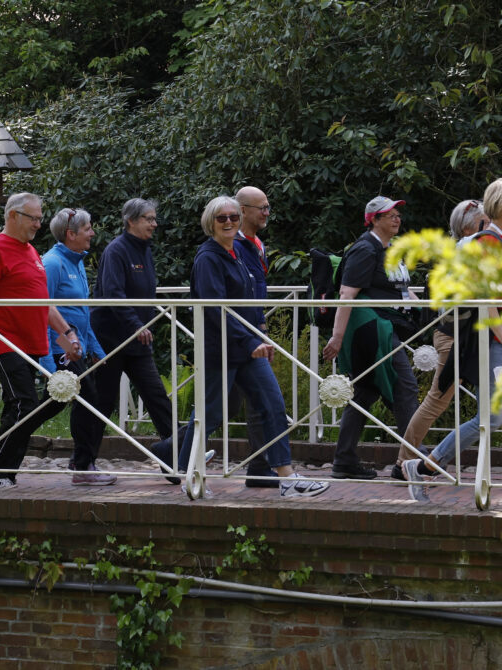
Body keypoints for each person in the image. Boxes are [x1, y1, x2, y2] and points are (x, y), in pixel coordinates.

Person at [151, 196, 328, 498]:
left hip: (246, 349)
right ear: (211, 222)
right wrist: (250, 342)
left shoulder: (236, 254)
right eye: (222, 218)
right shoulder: (208, 258)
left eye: (233, 217)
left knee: (272, 404)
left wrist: (260, 334)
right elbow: (215, 309)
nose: (230, 222)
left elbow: (248, 305)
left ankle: (286, 477)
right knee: (209, 416)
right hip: (221, 351)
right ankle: (185, 472)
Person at [403, 178, 502, 506]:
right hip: (494, 340)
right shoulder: (490, 241)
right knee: (490, 420)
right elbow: (487, 299)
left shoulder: (499, 240)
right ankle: (423, 467)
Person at [0, 192, 81, 487]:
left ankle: (2, 472)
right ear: (13, 216)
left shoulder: (30, 252)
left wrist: (67, 337)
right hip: (4, 342)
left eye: (40, 218)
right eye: (34, 218)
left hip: (32, 344)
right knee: (23, 404)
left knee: (36, 403)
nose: (39, 224)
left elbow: (44, 304)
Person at [392, 199, 502, 477]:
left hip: (468, 335)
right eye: (487, 222)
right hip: (456, 337)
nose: (492, 227)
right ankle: (404, 463)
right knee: (439, 399)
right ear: (475, 225)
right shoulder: (470, 248)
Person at [322, 196, 419, 480]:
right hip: (371, 330)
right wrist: (337, 338)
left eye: (398, 214)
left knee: (365, 390)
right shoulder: (365, 249)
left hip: (386, 327)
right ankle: (412, 460)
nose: (396, 218)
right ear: (373, 220)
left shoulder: (389, 250)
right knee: (405, 386)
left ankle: (344, 460)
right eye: (389, 214)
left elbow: (403, 291)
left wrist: (429, 313)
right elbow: (346, 294)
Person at [90, 198, 181, 476]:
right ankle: (83, 462)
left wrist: (143, 325)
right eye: (148, 219)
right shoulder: (116, 251)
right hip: (112, 339)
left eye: (155, 219)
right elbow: (113, 294)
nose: (154, 224)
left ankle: (178, 456)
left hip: (137, 339)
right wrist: (135, 325)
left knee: (157, 397)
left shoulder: (144, 250)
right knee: (102, 402)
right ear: (131, 221)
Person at [40, 208, 115, 486]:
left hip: (77, 347)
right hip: (60, 349)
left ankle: (81, 462)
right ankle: (83, 467)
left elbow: (81, 313)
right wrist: (48, 363)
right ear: (70, 234)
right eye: (88, 229)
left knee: (52, 405)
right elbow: (41, 312)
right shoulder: (52, 263)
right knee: (89, 400)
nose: (93, 233)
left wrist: (96, 348)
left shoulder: (78, 262)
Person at [230, 185, 278, 488]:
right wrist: (253, 331)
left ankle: (260, 467)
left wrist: (261, 326)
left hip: (252, 334)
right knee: (221, 407)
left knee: (256, 402)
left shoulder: (256, 243)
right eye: (261, 207)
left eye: (268, 207)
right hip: (236, 337)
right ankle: (172, 451)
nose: (266, 213)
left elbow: (255, 291)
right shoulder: (231, 244)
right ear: (242, 210)